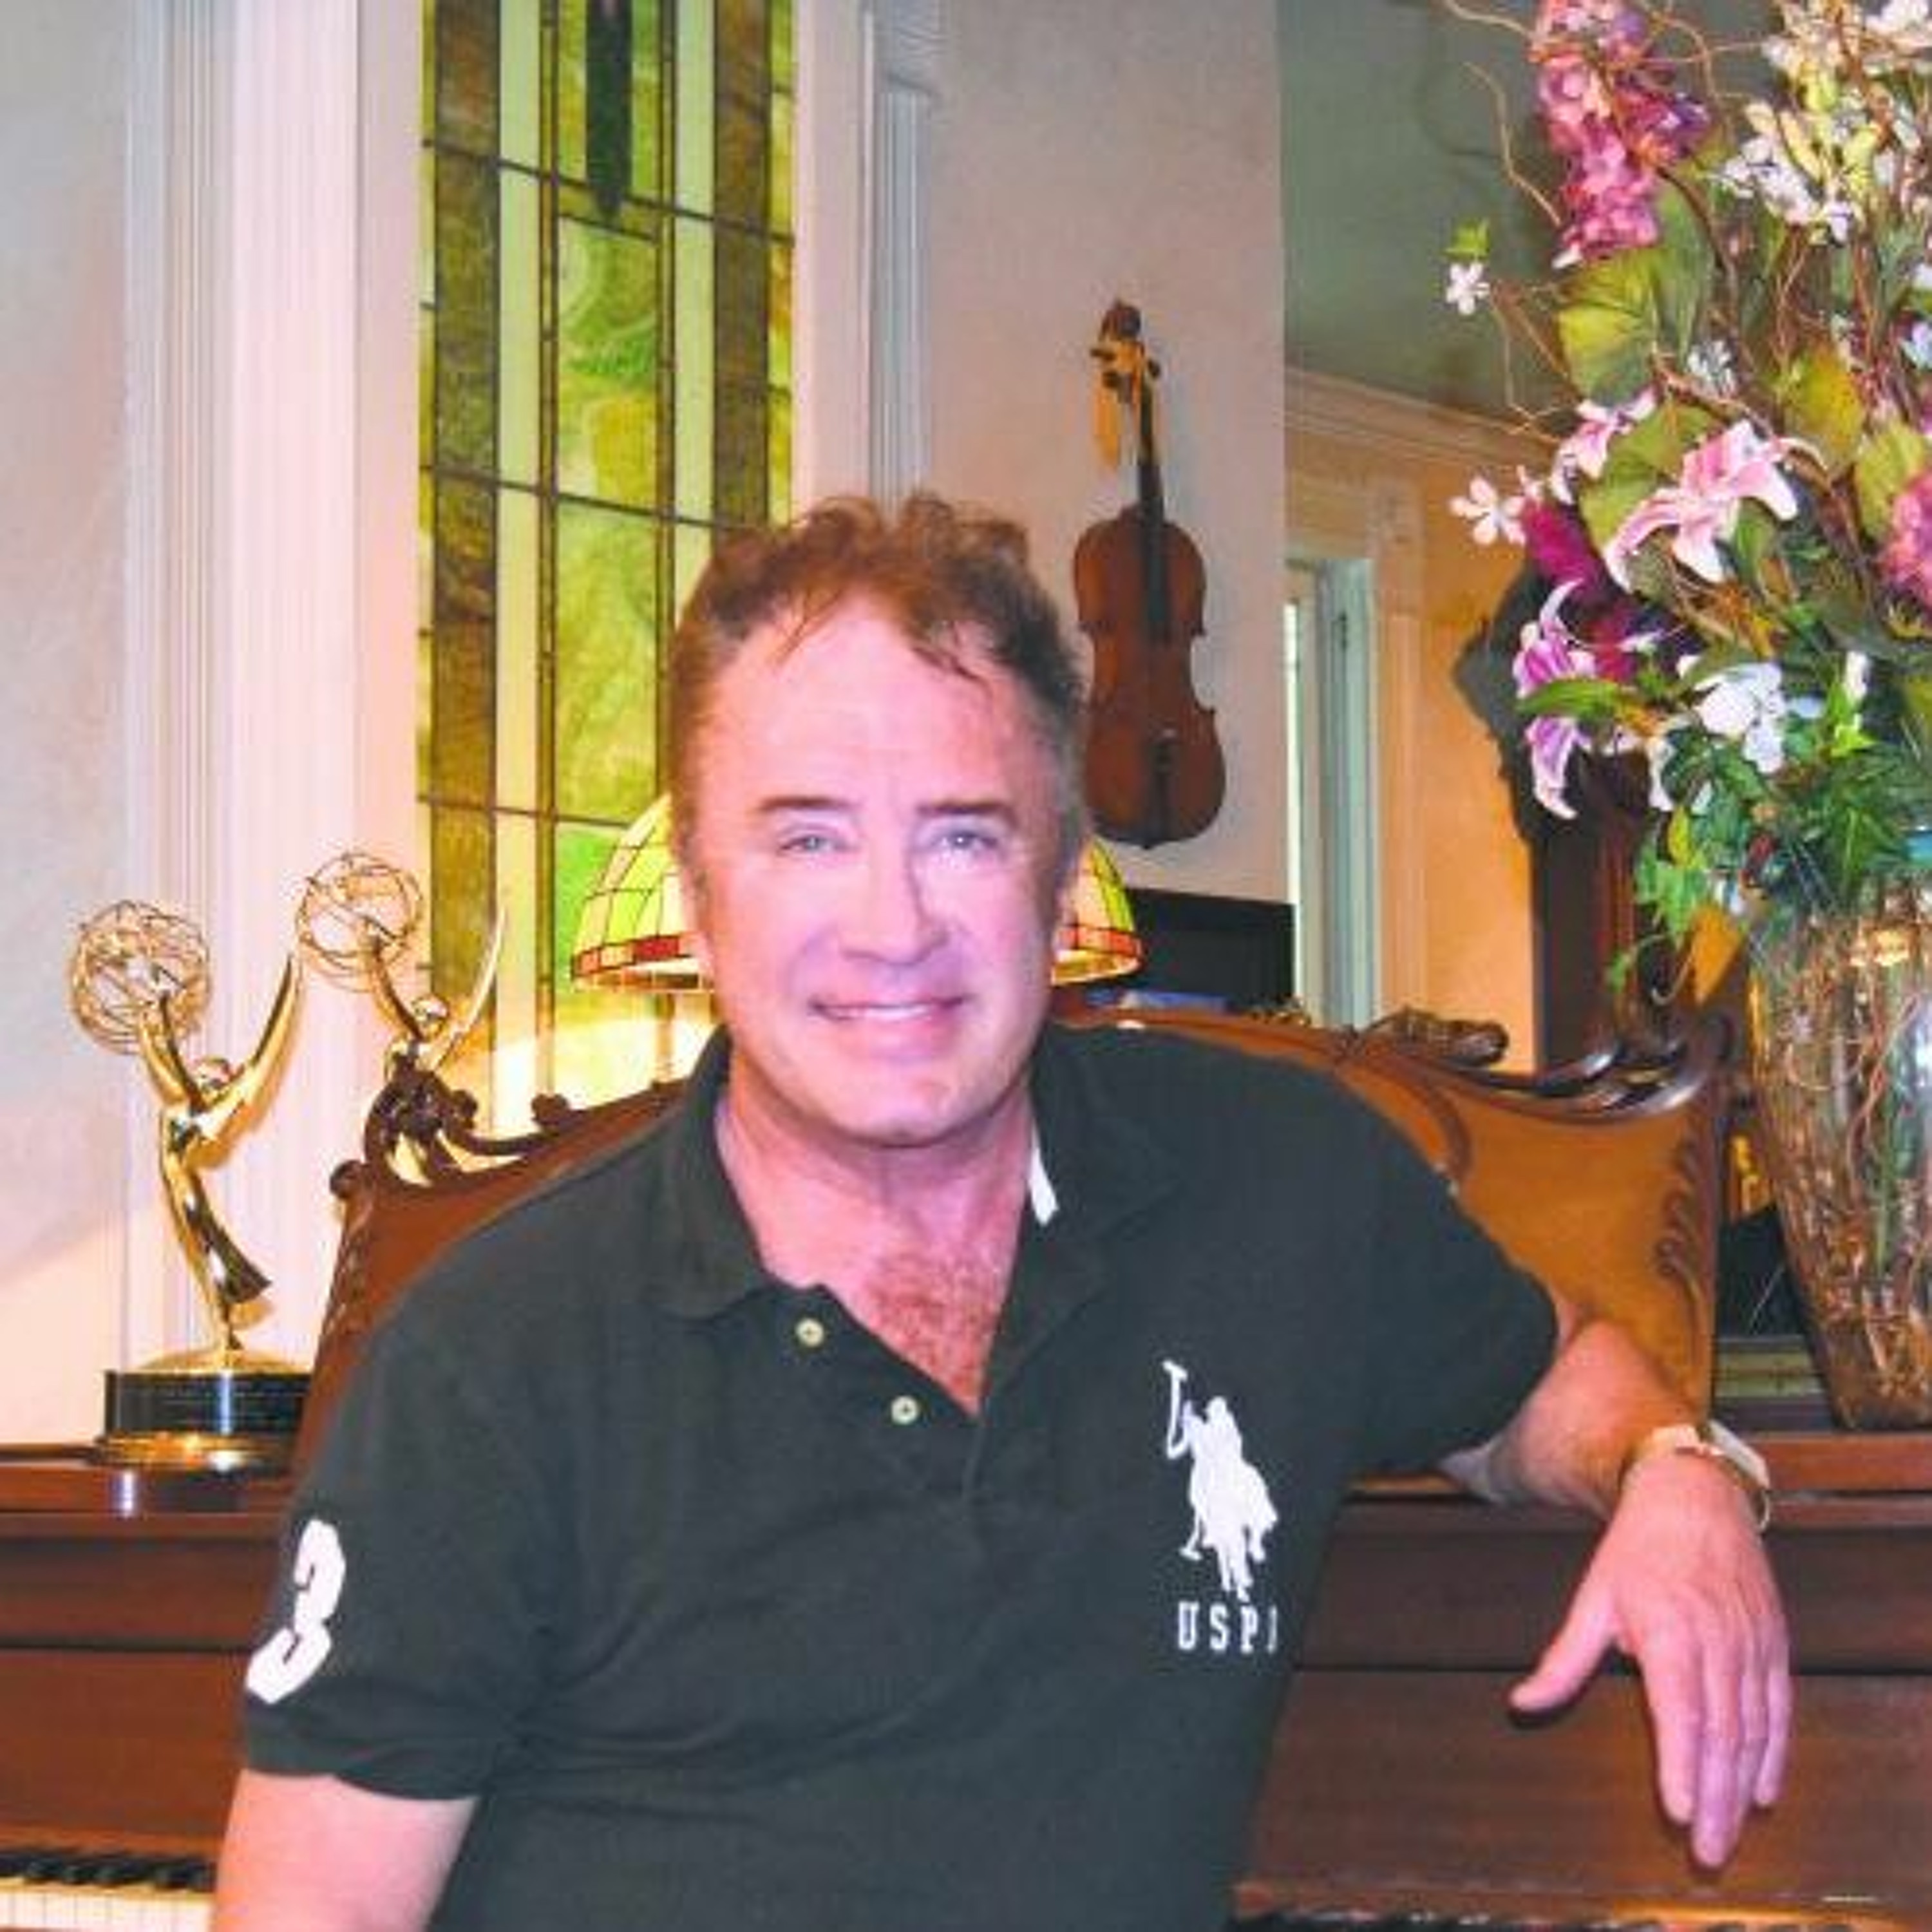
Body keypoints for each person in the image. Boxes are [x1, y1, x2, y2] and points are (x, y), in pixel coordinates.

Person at [213, 494, 1789, 1932]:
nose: (891, 925)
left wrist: (1677, 1472)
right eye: (809, 836)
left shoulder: (1280, 1184)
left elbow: (1539, 1372)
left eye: (964, 835)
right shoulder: (489, 1365)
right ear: (697, 897)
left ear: (1059, 886)